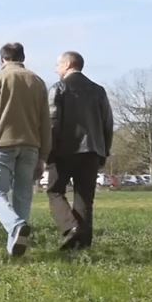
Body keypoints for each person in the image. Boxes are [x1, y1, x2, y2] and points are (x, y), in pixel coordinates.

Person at [0, 41, 52, 257]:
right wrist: (44, 155)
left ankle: (16, 225)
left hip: (3, 144)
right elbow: (45, 122)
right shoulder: (37, 81)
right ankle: (16, 247)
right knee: (23, 195)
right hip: (31, 145)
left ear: (2, 59)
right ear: (23, 58)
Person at [47, 50, 113, 250]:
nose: (56, 69)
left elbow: (52, 121)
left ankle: (70, 227)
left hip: (64, 150)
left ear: (67, 64)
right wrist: (104, 150)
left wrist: (49, 150)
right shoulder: (98, 90)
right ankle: (82, 243)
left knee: (55, 191)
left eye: (58, 65)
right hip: (92, 150)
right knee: (85, 197)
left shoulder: (59, 88)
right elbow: (107, 123)